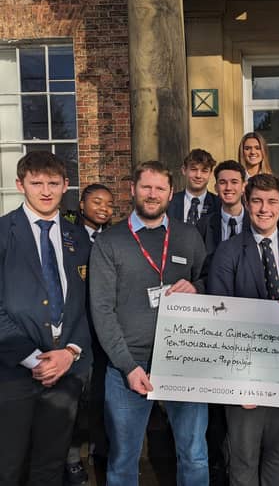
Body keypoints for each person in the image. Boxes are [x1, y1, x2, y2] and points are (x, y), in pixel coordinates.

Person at [89, 161, 209, 486]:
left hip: (184, 361)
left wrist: (198, 287)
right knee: (124, 458)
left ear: (171, 192)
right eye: (146, 187)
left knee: (194, 454)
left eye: (159, 188)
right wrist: (127, 366)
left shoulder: (188, 236)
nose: (152, 194)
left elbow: (209, 278)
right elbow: (101, 310)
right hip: (130, 365)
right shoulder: (109, 242)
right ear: (132, 189)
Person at [207, 173, 279, 486]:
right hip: (242, 373)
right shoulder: (227, 252)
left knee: (277, 454)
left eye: (271, 202)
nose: (264, 208)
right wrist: (239, 380)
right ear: (246, 203)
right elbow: (219, 313)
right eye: (256, 201)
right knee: (242, 457)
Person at [0, 150, 92, 486]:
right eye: (36, 183)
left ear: (66, 185)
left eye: (53, 183)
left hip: (65, 374)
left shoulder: (78, 236)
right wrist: (34, 359)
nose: (45, 191)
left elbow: (86, 305)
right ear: (19, 184)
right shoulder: (2, 233)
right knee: (8, 467)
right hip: (12, 372)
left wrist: (70, 352)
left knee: (50, 468)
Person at [196, 159, 250, 485]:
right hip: (215, 324)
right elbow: (198, 273)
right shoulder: (202, 227)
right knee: (216, 408)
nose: (228, 188)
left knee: (244, 408)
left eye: (234, 182)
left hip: (252, 325)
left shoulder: (262, 221)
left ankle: (241, 469)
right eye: (223, 183)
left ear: (244, 185)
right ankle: (218, 469)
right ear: (216, 188)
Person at [64, 183, 115, 484]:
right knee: (75, 401)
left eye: (109, 204)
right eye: (96, 202)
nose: (103, 208)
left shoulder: (114, 239)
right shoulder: (68, 237)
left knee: (102, 398)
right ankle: (72, 460)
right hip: (76, 333)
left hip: (106, 334)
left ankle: (102, 451)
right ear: (82, 204)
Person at [168, 148, 219, 225]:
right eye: (193, 169)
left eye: (204, 171)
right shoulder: (169, 203)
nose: (198, 175)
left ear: (210, 173)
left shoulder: (218, 204)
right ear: (184, 170)